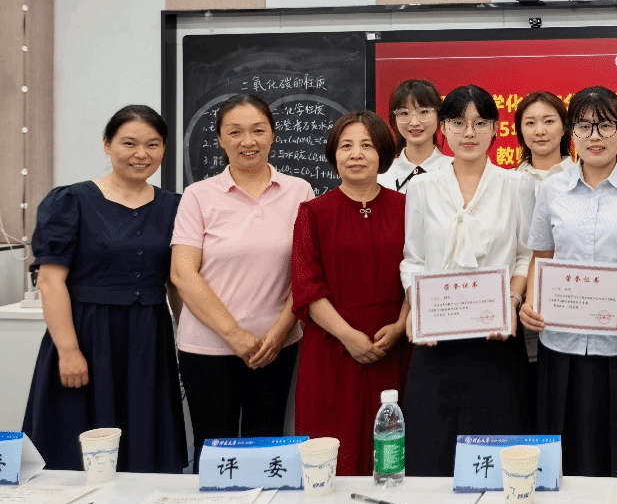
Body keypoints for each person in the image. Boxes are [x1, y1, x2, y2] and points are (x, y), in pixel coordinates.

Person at [22, 105, 187, 473]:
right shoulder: (70, 201)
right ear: (107, 144)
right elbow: (50, 281)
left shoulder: (175, 207)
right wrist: (68, 351)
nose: (141, 154)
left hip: (149, 337)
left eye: (153, 144)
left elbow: (176, 282)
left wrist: (186, 342)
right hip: (86, 334)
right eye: (129, 143)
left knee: (144, 442)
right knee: (76, 445)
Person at [520, 86, 617, 479]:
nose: (595, 136)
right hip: (563, 344)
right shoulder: (552, 189)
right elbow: (541, 258)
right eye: (584, 126)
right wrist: (532, 303)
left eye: (605, 126)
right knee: (568, 461)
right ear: (571, 132)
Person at [171, 94, 314, 469]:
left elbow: (307, 272)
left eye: (258, 130)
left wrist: (280, 331)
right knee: (213, 450)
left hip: (275, 346)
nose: (247, 141)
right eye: (235, 132)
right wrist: (234, 335)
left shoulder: (299, 191)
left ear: (272, 135)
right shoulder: (198, 196)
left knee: (266, 450)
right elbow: (183, 273)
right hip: (207, 348)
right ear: (220, 139)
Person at [399, 84, 535, 477]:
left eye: (480, 123)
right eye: (458, 123)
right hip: (436, 338)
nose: (469, 132)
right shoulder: (422, 187)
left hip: (497, 337)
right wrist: (418, 308)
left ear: (496, 128)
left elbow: (525, 255)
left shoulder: (517, 185)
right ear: (443, 128)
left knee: (497, 451)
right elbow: (414, 259)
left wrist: (511, 300)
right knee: (432, 451)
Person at [291, 111, 408, 476]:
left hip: (394, 345)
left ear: (383, 153)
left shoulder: (407, 208)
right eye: (346, 146)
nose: (356, 154)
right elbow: (306, 286)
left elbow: (420, 274)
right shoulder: (312, 212)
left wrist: (401, 325)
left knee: (393, 457)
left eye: (367, 145)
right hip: (332, 348)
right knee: (334, 456)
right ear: (334, 154)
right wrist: (347, 335)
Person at [380, 79, 448, 192]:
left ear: (439, 115)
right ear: (394, 119)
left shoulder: (456, 171)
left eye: (424, 112)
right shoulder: (380, 177)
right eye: (404, 113)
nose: (414, 122)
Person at [514, 91, 572, 189]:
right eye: (530, 123)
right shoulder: (508, 181)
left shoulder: (582, 177)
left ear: (564, 127)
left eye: (549, 121)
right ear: (520, 130)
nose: (540, 131)